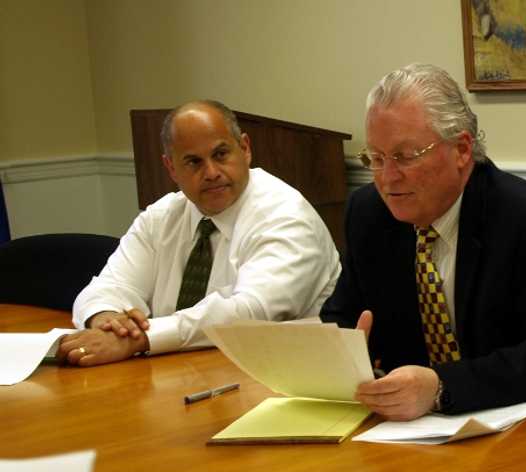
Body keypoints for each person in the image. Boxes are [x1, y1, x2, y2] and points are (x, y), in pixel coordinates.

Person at [320, 64, 526, 421]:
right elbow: (342, 316)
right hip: (409, 433)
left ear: (462, 149)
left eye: (405, 156)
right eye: (375, 159)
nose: (387, 178)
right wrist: (349, 358)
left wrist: (442, 386)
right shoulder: (368, 214)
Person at [58, 100, 340, 366]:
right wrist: (107, 319)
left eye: (220, 154)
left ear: (245, 149)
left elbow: (250, 312)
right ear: (171, 168)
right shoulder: (163, 216)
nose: (211, 172)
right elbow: (110, 286)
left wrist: (142, 338)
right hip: (176, 377)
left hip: (276, 380)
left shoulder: (286, 215)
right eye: (194, 162)